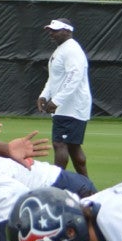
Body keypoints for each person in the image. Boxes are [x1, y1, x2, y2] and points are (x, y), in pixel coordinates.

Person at [38, 18, 92, 177]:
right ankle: (87, 189)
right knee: (73, 147)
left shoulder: (71, 49)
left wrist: (57, 100)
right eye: (50, 30)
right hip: (69, 107)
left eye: (55, 30)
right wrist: (44, 95)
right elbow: (55, 78)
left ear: (68, 31)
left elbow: (74, 76)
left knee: (59, 144)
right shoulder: (62, 49)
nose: (51, 33)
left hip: (71, 107)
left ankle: (56, 183)